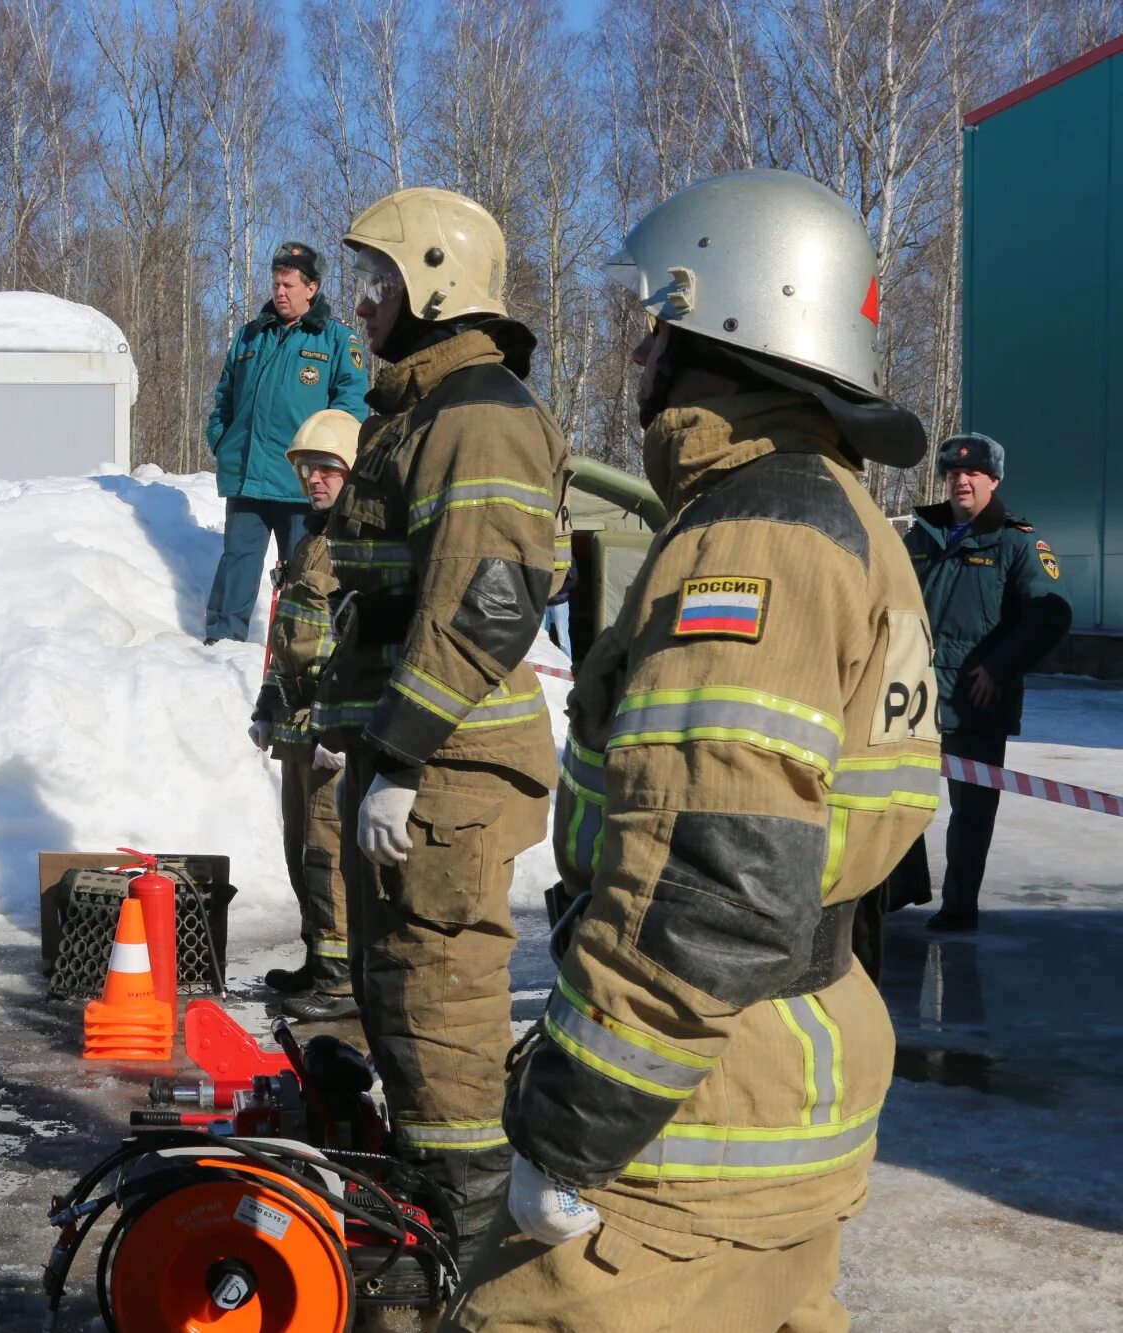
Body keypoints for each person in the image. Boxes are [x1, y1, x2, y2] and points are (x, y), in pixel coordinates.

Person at [462, 169, 941, 1333]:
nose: (636, 358)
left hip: (692, 1127)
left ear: (722, 322)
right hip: (773, 1081)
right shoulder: (834, 515)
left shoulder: (750, 547)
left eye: (651, 326)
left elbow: (713, 880)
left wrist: (573, 1126)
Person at [317, 188, 570, 1259]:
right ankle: (427, 1220)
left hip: (448, 772)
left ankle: (467, 1254)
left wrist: (403, 758)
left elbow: (493, 602)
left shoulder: (476, 418)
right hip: (419, 765)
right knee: (401, 998)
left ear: (432, 282)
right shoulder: (419, 413)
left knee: (439, 1005)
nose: (359, 302)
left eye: (377, 280)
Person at [887, 432, 1071, 933]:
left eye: (972, 473)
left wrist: (1001, 667)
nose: (960, 481)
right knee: (896, 795)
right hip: (913, 699)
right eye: (952, 473)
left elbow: (1050, 617)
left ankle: (959, 906)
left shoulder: (1018, 541)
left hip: (976, 697)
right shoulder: (920, 536)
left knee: (971, 810)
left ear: (994, 480)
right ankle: (900, 889)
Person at [203, 241, 370, 643]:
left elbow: (350, 410)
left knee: (305, 568)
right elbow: (224, 397)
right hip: (247, 474)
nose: (280, 292)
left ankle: (302, 644)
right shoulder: (249, 337)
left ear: (311, 288)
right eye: (277, 283)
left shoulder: (336, 341)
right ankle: (222, 641)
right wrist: (221, 439)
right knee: (238, 561)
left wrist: (327, 464)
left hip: (302, 482)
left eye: (289, 285)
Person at [249, 408, 359, 1021]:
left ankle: (342, 978)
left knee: (328, 852)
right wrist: (269, 700)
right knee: (299, 848)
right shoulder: (310, 540)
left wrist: (343, 723)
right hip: (297, 727)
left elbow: (361, 643)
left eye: (326, 468)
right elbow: (286, 632)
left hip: (330, 729)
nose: (313, 479)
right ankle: (320, 958)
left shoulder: (357, 544)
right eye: (306, 469)